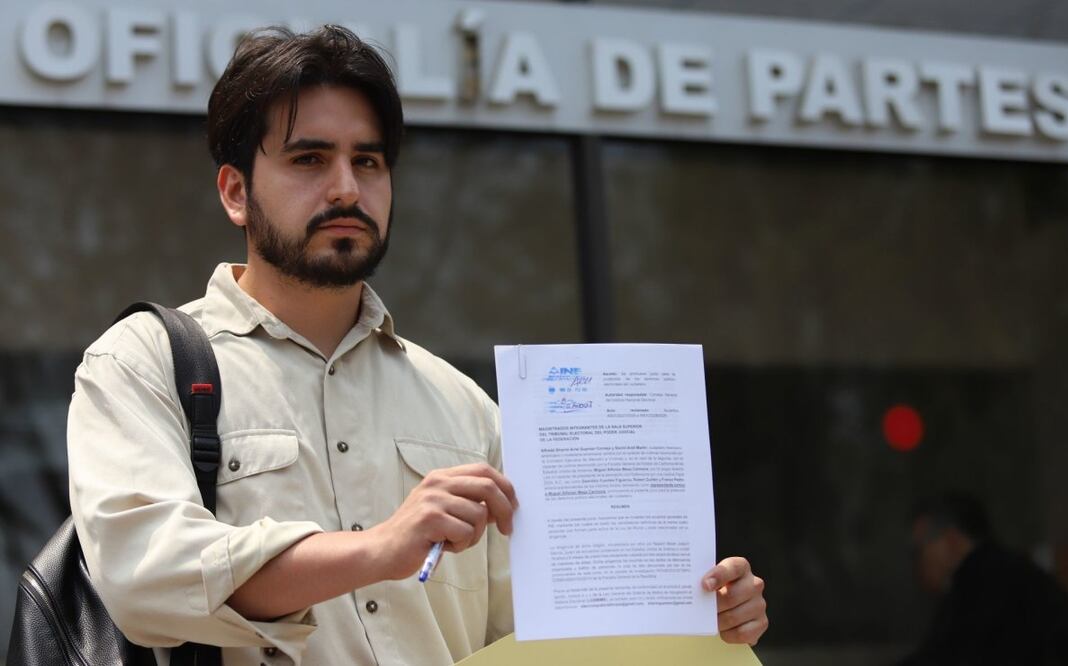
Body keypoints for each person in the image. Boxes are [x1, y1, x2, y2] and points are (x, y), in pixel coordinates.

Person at [67, 25, 768, 665]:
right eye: (309, 158)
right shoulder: (141, 362)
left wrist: (692, 613)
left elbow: (538, 638)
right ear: (235, 192)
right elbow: (145, 577)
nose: (346, 188)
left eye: (367, 162)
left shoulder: (465, 408)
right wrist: (376, 549)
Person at [900, 492, 1068, 666]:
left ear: (951, 541)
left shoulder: (983, 583)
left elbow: (946, 657)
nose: (917, 562)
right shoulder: (1003, 572)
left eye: (918, 550)